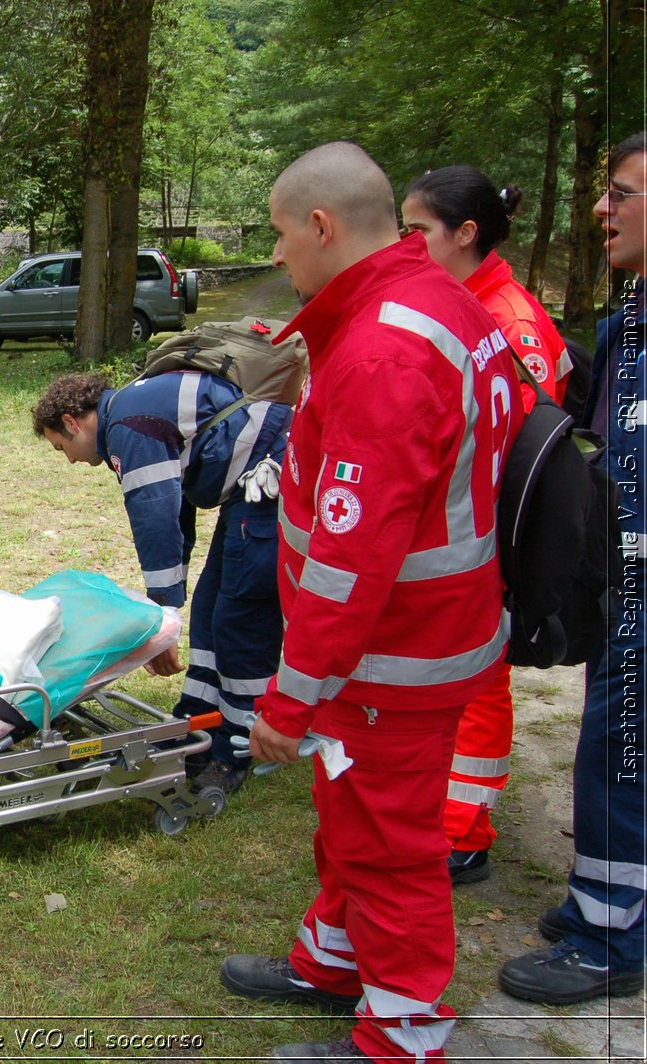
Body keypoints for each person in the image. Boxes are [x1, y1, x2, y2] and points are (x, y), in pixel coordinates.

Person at [219, 142, 521, 1063]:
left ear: (321, 226)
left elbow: (352, 559)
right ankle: (333, 962)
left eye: (278, 234)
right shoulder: (436, 307)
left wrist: (290, 698)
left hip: (393, 652)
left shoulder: (385, 349)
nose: (276, 257)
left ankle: (402, 1039)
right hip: (413, 642)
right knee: (354, 811)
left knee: (391, 847)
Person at [498, 131, 647, 1007]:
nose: (602, 208)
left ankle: (610, 938)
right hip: (620, 567)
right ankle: (609, 899)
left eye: (621, 193)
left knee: (619, 751)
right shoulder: (630, 314)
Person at [400, 164, 572, 886]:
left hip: (495, 529)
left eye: (418, 232)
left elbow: (527, 444)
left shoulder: (508, 318)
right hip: (462, 523)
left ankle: (461, 833)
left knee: (480, 679)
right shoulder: (458, 301)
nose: (406, 245)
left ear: (466, 234)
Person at [32, 366, 292, 795]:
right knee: (210, 606)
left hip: (269, 479)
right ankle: (196, 721)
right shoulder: (133, 411)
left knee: (240, 615)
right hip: (251, 485)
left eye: (63, 447)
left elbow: (154, 517)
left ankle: (236, 749)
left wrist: (163, 620)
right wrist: (171, 609)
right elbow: (178, 512)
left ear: (73, 422)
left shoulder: (129, 428)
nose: (72, 460)